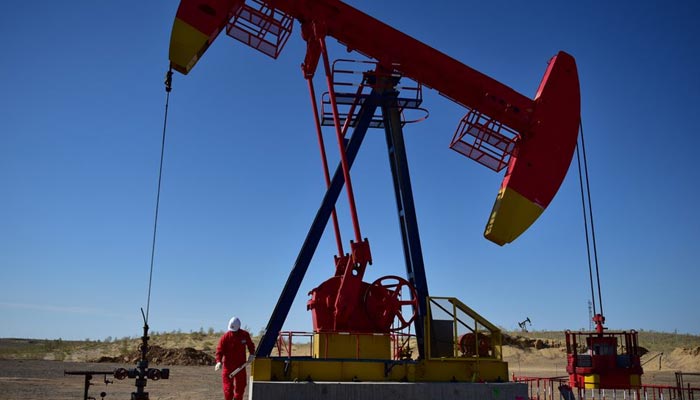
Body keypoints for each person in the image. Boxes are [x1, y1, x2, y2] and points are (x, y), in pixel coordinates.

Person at [215, 317, 255, 400]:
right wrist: (218, 361)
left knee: (241, 387)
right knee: (228, 390)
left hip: (240, 366)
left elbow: (251, 345)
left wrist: (252, 354)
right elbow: (219, 350)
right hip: (228, 367)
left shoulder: (244, 334)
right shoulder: (225, 337)